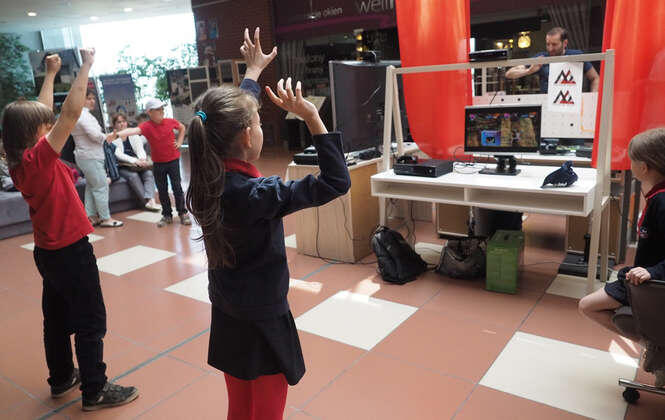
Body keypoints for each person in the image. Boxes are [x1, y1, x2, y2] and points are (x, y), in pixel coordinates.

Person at [186, 27, 350, 420]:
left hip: (226, 308)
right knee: (267, 411)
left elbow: (226, 117)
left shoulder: (207, 180)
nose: (260, 127)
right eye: (258, 123)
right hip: (263, 317)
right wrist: (312, 116)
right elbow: (336, 182)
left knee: (239, 407)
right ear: (247, 136)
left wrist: (253, 72)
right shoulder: (259, 195)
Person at [1, 50, 138, 411]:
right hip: (71, 252)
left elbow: (43, 114)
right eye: (43, 126)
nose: (49, 127)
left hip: (48, 252)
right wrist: (86, 66)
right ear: (34, 134)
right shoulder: (39, 159)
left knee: (57, 318)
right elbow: (69, 114)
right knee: (91, 320)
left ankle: (62, 377)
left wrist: (50, 74)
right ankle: (95, 389)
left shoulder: (20, 158)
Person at [579, 128, 665, 387]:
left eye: (631, 160)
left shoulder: (662, 203)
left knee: (587, 306)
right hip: (644, 277)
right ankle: (657, 346)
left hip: (652, 284)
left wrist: (654, 272)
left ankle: (654, 346)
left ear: (643, 167)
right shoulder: (655, 194)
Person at [115, 102, 190, 227]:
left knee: (177, 187)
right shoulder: (147, 126)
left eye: (162, 109)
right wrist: (116, 135)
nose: (161, 111)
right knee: (162, 190)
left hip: (173, 161)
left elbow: (182, 127)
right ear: (150, 112)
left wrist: (180, 141)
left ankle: (182, 212)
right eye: (158, 109)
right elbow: (132, 130)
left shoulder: (170, 121)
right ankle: (167, 215)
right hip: (158, 164)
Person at [70, 90, 123, 227]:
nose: (92, 101)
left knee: (92, 186)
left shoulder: (78, 115)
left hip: (86, 156)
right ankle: (106, 218)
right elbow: (94, 135)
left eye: (93, 98)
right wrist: (107, 137)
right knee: (101, 186)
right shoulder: (83, 115)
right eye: (88, 98)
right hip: (91, 156)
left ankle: (91, 216)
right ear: (81, 99)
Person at [505, 27, 600, 93]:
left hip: (572, 105)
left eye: (554, 45)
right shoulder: (541, 58)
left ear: (565, 43)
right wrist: (529, 71)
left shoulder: (576, 55)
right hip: (547, 107)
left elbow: (595, 78)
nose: (550, 49)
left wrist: (593, 99)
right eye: (548, 44)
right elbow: (509, 74)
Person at [110, 113, 160, 211]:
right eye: (119, 122)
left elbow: (140, 149)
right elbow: (119, 155)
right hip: (122, 166)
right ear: (114, 125)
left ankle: (151, 200)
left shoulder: (133, 134)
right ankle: (146, 203)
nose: (122, 124)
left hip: (136, 164)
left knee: (148, 173)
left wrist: (142, 159)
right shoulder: (112, 138)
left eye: (124, 121)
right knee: (133, 176)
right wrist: (135, 160)